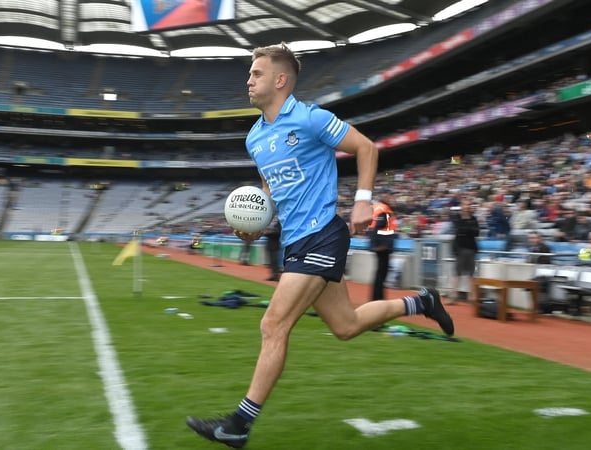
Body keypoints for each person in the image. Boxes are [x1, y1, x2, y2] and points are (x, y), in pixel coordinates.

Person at [186, 43, 454, 449]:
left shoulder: (310, 118)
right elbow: (270, 186)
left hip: (323, 233)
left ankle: (239, 425)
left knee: (273, 324)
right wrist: (259, 222)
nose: (249, 79)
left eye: (256, 73)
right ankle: (422, 302)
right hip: (295, 240)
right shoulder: (255, 137)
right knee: (345, 326)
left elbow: (366, 147)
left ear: (280, 80)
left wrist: (363, 200)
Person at [449, 199, 480, 305]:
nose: (467, 207)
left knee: (472, 274)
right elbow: (459, 230)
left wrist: (466, 230)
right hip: (460, 248)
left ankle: (472, 297)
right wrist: (468, 229)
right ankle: (453, 296)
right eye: (465, 205)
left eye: (469, 205)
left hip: (471, 248)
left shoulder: (474, 218)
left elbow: (476, 233)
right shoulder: (457, 218)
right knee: (457, 273)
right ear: (462, 206)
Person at [368, 191, 397, 301]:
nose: (392, 198)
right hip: (382, 248)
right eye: (390, 196)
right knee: (381, 275)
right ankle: (377, 299)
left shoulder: (381, 208)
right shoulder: (383, 209)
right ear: (385, 196)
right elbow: (377, 228)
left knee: (381, 274)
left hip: (383, 247)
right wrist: (379, 245)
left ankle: (378, 298)